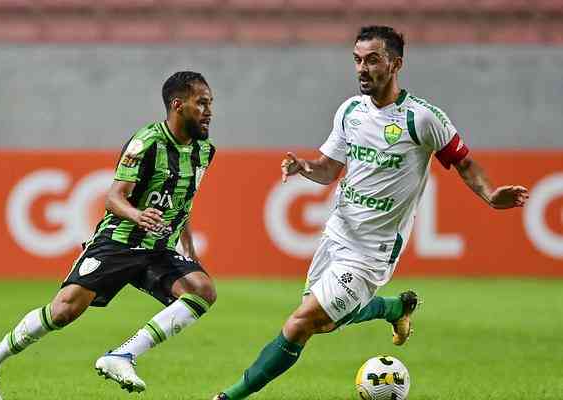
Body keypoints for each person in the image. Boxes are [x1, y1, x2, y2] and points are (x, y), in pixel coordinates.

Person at [213, 26, 529, 400]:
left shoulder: (421, 119)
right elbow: (329, 169)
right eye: (357, 60)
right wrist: (303, 167)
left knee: (300, 323)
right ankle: (393, 307)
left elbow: (464, 162)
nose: (362, 68)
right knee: (325, 323)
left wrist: (491, 195)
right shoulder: (350, 111)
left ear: (396, 64)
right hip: (337, 235)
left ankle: (228, 397)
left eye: (372, 60)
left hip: (372, 251)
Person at [0, 71, 217, 400]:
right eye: (201, 103)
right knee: (63, 312)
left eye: (210, 103)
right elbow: (113, 199)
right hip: (119, 242)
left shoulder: (204, 151)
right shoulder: (147, 143)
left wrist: (188, 245)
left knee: (202, 290)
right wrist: (137, 214)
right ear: (178, 105)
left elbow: (184, 199)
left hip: (158, 248)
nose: (209, 111)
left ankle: (122, 355)